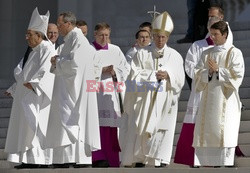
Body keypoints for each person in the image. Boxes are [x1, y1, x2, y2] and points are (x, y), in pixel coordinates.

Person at [121, 11, 185, 167]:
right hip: (143, 100)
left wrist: (168, 75)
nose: (160, 40)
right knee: (141, 129)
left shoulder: (175, 56)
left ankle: (159, 158)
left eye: (163, 37)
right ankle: (140, 158)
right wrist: (153, 76)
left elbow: (180, 79)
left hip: (165, 100)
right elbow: (133, 76)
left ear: (168, 37)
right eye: (157, 37)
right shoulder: (141, 54)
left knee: (162, 129)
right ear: (152, 36)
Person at [44, 11, 101, 168]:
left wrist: (58, 61)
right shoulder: (70, 40)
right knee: (64, 121)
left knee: (73, 122)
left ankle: (76, 158)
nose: (58, 28)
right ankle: (64, 158)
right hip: (67, 89)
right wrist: (58, 61)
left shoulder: (79, 40)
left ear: (69, 24)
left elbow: (75, 65)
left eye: (60, 25)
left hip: (75, 91)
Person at [4, 7, 55, 169]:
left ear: (39, 35)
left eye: (29, 34)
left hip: (37, 96)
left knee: (37, 127)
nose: (26, 37)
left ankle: (40, 160)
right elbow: (22, 73)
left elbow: (47, 71)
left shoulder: (47, 48)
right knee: (26, 129)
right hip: (26, 95)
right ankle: (27, 159)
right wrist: (14, 88)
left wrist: (35, 84)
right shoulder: (33, 51)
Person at [193, 20, 244, 167]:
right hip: (208, 101)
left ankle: (226, 163)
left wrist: (218, 70)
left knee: (225, 133)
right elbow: (196, 74)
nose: (213, 37)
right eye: (211, 34)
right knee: (209, 132)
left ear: (225, 35)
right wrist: (207, 73)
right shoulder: (206, 53)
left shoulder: (234, 53)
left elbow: (237, 76)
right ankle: (211, 164)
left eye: (216, 34)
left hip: (226, 101)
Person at [174, 16, 224, 167]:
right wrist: (205, 74)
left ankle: (214, 159)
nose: (213, 33)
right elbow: (190, 67)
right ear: (208, 28)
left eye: (216, 28)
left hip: (216, 91)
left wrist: (217, 71)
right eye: (211, 27)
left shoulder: (226, 49)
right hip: (201, 90)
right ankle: (194, 159)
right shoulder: (197, 45)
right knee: (195, 124)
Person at [91, 22, 130, 167]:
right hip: (94, 93)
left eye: (107, 35)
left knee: (112, 126)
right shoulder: (89, 50)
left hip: (111, 92)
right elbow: (84, 70)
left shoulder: (115, 49)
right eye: (101, 35)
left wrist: (115, 72)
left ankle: (113, 158)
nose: (104, 38)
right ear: (95, 34)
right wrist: (101, 70)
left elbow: (125, 69)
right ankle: (97, 157)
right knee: (96, 125)